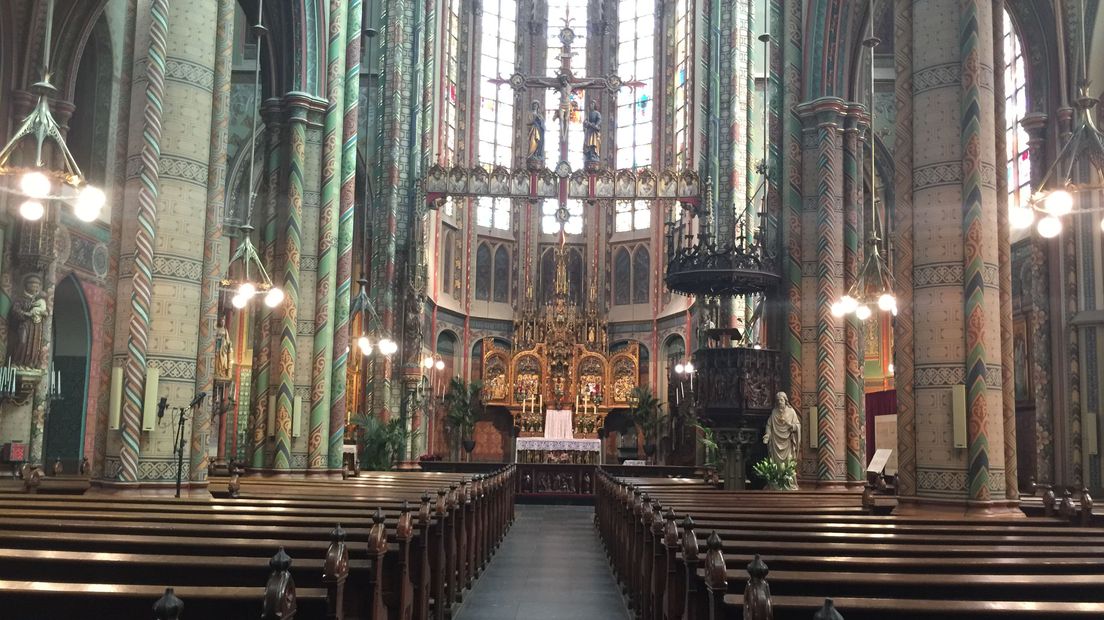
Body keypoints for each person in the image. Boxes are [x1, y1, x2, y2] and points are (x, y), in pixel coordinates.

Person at [11, 274, 48, 369]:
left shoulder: (39, 299)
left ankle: (29, 364)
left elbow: (45, 312)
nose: (35, 287)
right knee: (22, 341)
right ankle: (17, 362)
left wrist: (44, 313)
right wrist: (27, 314)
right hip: (25, 324)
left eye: (37, 286)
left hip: (36, 326)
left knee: (34, 345)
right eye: (33, 285)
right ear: (26, 285)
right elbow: (15, 311)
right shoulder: (20, 298)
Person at [762, 391, 801, 468]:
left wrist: (792, 426)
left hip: (787, 442)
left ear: (785, 401)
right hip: (776, 443)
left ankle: (788, 478)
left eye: (781, 400)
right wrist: (767, 434)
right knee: (776, 465)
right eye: (778, 400)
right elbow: (769, 425)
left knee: (788, 462)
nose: (780, 402)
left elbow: (797, 425)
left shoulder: (791, 412)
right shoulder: (774, 412)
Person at [214, 315, 233, 380]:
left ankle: (221, 371)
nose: (223, 323)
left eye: (224, 322)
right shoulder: (217, 329)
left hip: (223, 347)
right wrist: (219, 338)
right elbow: (214, 337)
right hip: (218, 345)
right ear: (220, 322)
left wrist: (229, 343)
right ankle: (217, 371)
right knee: (217, 358)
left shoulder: (225, 330)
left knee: (223, 359)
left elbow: (227, 339)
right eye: (222, 321)